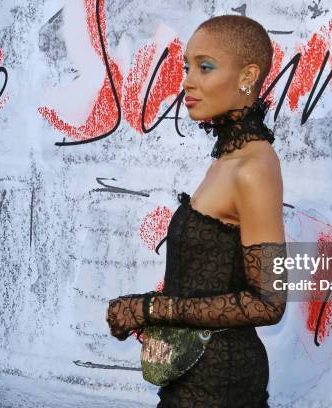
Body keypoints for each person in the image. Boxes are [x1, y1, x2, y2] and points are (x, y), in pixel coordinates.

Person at [106, 14, 288, 408]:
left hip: (219, 385)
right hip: (191, 374)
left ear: (248, 75)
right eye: (186, 66)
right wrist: (147, 315)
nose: (188, 80)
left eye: (205, 67)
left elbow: (269, 302)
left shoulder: (254, 168)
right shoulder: (228, 158)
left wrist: (149, 308)